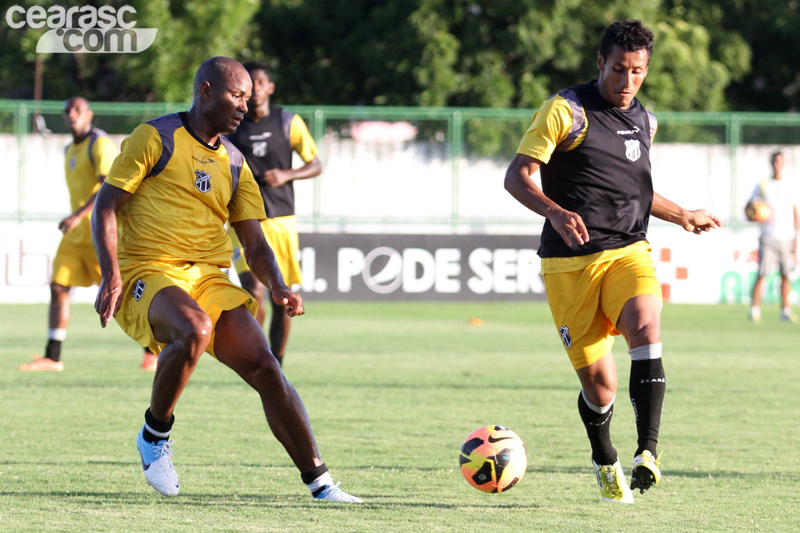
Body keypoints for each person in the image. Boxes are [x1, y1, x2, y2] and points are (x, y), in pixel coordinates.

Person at [91, 57, 361, 503]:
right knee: (193, 327)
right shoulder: (154, 138)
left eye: (248, 99)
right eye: (236, 96)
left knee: (267, 369)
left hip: (208, 276)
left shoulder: (235, 163)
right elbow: (106, 206)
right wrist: (111, 274)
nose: (244, 106)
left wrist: (277, 286)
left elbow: (254, 244)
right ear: (205, 91)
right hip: (147, 271)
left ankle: (322, 484)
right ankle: (154, 436)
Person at [504, 20, 720, 503]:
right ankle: (605, 458)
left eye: (638, 72)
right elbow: (517, 177)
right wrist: (555, 212)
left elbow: (635, 190)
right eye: (619, 69)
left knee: (647, 324)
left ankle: (649, 453)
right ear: (600, 62)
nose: (627, 82)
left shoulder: (646, 120)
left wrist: (682, 214)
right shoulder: (566, 111)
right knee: (601, 388)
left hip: (629, 250)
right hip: (568, 265)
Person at [19, 96, 158, 373]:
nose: (72, 115)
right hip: (76, 237)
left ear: (89, 114)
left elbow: (107, 185)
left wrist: (78, 215)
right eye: (68, 110)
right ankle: (53, 356)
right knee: (59, 287)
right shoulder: (70, 148)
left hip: (101, 232)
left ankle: (152, 352)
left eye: (77, 110)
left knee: (121, 294)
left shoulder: (100, 144)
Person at [226, 60, 322, 367]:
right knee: (253, 291)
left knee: (282, 299)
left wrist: (287, 174)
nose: (255, 91)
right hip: (243, 221)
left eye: (261, 83)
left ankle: (276, 363)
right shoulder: (232, 123)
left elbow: (316, 164)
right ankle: (259, 357)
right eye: (249, 85)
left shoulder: (287, 122)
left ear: (270, 87)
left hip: (281, 221)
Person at [747, 151, 800, 323]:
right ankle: (754, 310)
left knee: (786, 274)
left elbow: (795, 213)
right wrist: (754, 214)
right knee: (762, 273)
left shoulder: (790, 185)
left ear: (784, 164)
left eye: (781, 161)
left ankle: (785, 310)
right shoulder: (763, 185)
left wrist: (796, 240)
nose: (778, 164)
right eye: (775, 161)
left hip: (787, 236)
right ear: (771, 163)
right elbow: (749, 208)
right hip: (768, 236)